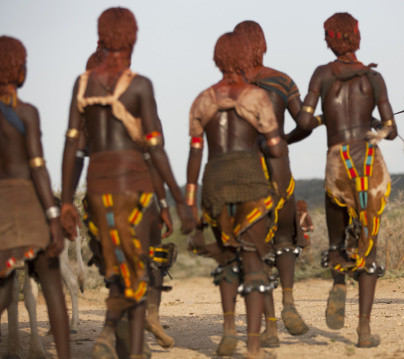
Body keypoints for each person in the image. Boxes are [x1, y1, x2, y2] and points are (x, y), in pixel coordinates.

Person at [60, 8, 194, 358]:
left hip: (97, 194)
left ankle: (122, 340)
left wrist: (65, 204)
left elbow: (73, 147)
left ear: (101, 38)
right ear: (132, 37)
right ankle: (113, 331)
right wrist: (174, 201)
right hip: (135, 193)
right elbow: (155, 151)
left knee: (118, 274)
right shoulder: (140, 86)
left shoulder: (83, 85)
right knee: (138, 274)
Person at [296, 13, 397, 347]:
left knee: (335, 206)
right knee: (369, 237)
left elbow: (304, 121)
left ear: (330, 39)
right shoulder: (374, 77)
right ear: (355, 37)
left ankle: (339, 275)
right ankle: (364, 331)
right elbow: (391, 130)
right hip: (369, 159)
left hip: (339, 158)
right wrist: (371, 125)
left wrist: (320, 120)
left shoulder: (322, 74)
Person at [186, 32, 284, 358]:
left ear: (217, 59)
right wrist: (280, 190)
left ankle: (229, 330)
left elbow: (195, 155)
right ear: (245, 58)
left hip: (213, 183)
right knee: (254, 263)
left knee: (228, 257)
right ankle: (254, 347)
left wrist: (190, 201)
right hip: (250, 180)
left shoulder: (202, 99)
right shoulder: (256, 98)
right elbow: (274, 149)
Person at [233, 20, 310, 345]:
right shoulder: (282, 80)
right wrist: (285, 139)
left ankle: (272, 326)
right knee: (283, 238)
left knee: (254, 247)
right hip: (280, 169)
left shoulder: (231, 86)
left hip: (247, 172)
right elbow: (305, 122)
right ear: (263, 44)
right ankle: (290, 300)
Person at [0, 35, 70, 358]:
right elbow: (38, 169)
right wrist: (53, 217)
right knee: (52, 284)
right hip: (27, 205)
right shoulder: (26, 112)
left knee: (4, 291)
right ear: (18, 70)